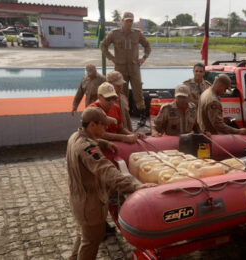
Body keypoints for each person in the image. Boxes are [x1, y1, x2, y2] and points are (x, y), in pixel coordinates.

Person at [66, 106, 155, 259]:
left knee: (84, 235)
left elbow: (88, 142)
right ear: (93, 125)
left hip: (79, 200)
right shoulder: (88, 148)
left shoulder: (75, 137)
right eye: (103, 124)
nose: (107, 128)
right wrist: (134, 186)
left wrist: (104, 143)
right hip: (91, 204)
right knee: (91, 241)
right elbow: (106, 170)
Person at [100, 11, 151, 127]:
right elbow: (103, 45)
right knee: (122, 93)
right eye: (127, 20)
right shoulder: (114, 34)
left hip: (134, 67)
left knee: (138, 91)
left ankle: (143, 117)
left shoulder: (137, 34)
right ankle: (124, 116)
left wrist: (143, 58)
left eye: (131, 21)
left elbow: (147, 46)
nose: (129, 23)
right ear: (122, 21)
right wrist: (111, 57)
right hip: (120, 68)